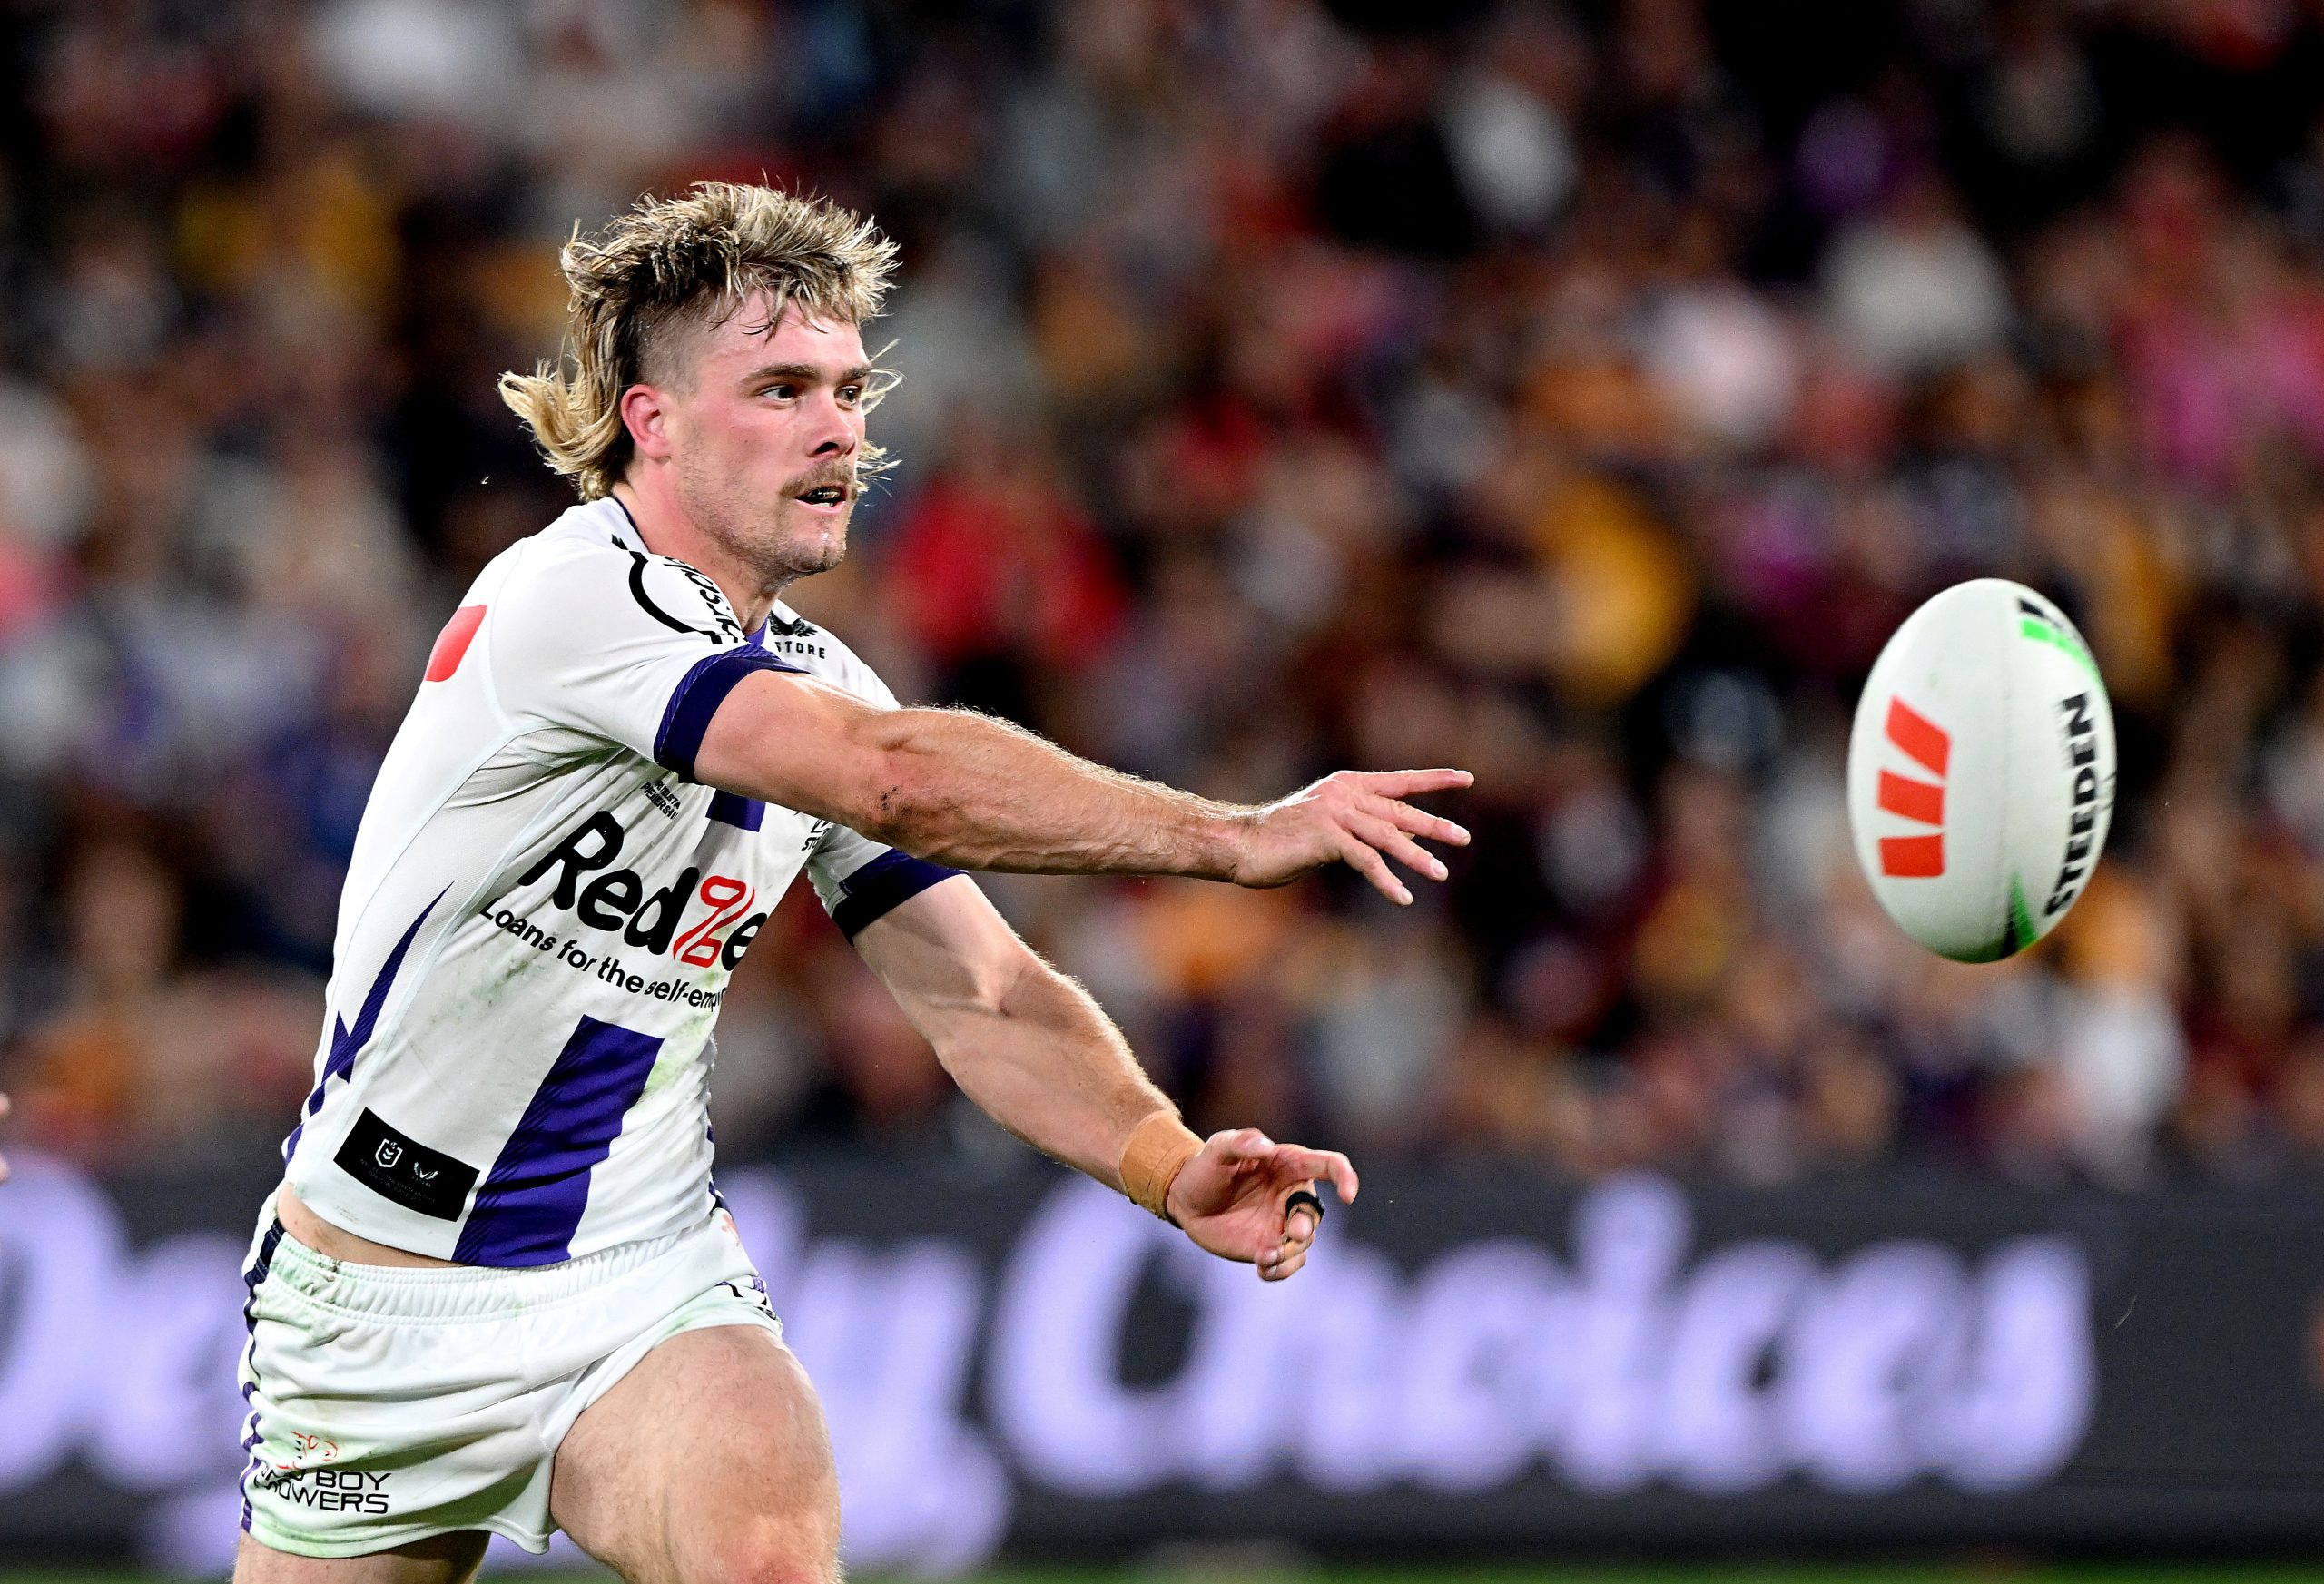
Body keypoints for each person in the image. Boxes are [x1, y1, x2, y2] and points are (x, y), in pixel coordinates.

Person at [233, 182, 1471, 1581]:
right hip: (375, 1305)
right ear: (654, 421)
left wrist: (1166, 1158)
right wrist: (1234, 836)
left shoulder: (816, 685)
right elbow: (888, 776)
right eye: (778, 388)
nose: (837, 427)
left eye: (845, 388)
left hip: (637, 1281)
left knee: (767, 1553)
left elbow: (988, 991)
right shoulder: (571, 602)